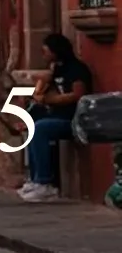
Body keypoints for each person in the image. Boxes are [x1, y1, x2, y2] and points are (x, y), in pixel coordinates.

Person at [20, 33, 92, 203]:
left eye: (46, 51)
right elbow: (45, 89)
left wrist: (50, 100)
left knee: (40, 129)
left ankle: (45, 183)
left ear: (56, 51)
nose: (43, 54)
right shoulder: (57, 69)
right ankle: (34, 178)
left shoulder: (77, 69)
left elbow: (77, 95)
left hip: (74, 119)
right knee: (32, 126)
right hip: (58, 115)